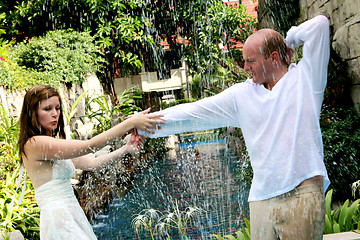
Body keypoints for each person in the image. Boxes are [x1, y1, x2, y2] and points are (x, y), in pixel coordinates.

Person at [141, 15, 330, 239]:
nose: (245, 67)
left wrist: (290, 40)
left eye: (251, 60)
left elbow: (319, 25)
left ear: (274, 57)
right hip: (261, 199)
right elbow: (193, 113)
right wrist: (143, 126)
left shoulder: (306, 78)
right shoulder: (242, 95)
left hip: (302, 193)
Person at [17, 84, 164, 239]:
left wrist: (126, 149)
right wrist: (130, 123)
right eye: (47, 109)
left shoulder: (51, 142)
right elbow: (90, 145)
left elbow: (91, 163)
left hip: (72, 212)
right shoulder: (34, 143)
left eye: (58, 108)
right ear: (33, 112)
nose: (55, 114)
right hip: (58, 217)